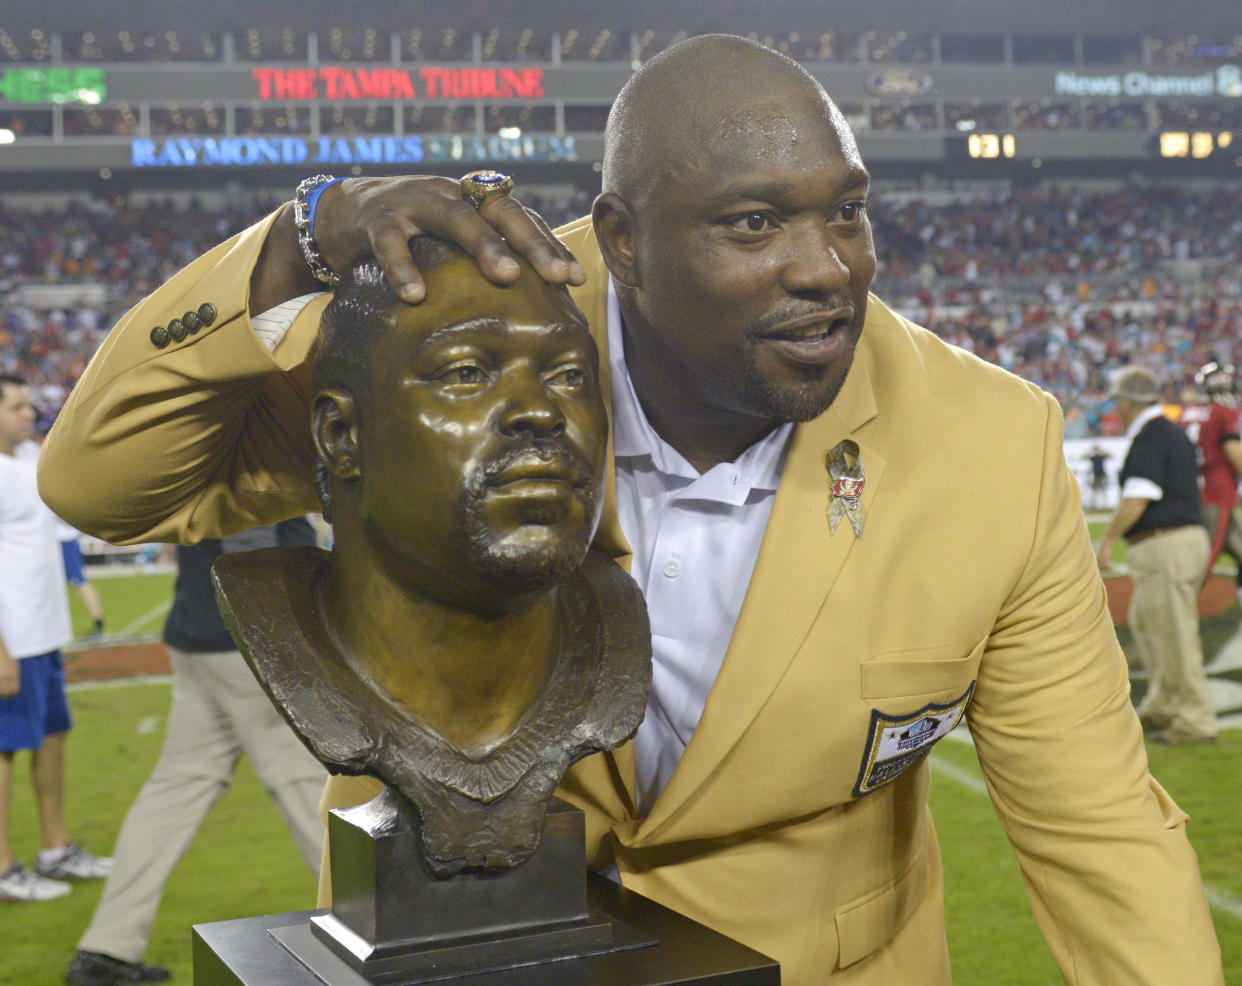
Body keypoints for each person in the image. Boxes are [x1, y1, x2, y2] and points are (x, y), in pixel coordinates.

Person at [39, 35, 1224, 986]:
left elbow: (1099, 827)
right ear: (624, 240)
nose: (829, 266)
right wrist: (297, 241)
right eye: (755, 223)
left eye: (846, 211)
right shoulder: (456, 345)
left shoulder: (988, 444)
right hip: (453, 945)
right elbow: (101, 484)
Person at [211, 241, 648, 877]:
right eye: (467, 372)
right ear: (342, 435)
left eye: (569, 375)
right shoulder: (284, 616)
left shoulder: (610, 622)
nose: (539, 411)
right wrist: (298, 234)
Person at [65, 518, 328, 986]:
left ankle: (107, 947)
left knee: (175, 788)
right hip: (249, 640)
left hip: (197, 632)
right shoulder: (253, 448)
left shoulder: (207, 447)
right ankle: (381, 934)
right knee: (308, 786)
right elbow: (253, 543)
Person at [0, 373, 111, 902]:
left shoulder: (28, 460)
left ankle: (55, 848)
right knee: (4, 750)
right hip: (12, 639)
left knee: (51, 738)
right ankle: (2, 870)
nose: (29, 413)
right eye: (17, 406)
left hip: (44, 634)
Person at [1096, 366, 1217, 747]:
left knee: (1174, 633)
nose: (1116, 407)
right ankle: (1163, 704)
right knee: (1151, 626)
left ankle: (1195, 718)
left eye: (1118, 400)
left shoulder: (1152, 435)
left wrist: (1107, 540)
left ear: (1129, 402)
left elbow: (1138, 497)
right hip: (1170, 543)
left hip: (1167, 543)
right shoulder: (1164, 432)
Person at [1178, 360, 1242, 600]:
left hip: (1194, 489)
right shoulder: (1225, 412)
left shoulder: (1189, 412)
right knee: (1205, 559)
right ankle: (1180, 607)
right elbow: (1233, 450)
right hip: (1217, 493)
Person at [56, 519, 106, 638]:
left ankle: (98, 624)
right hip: (61, 540)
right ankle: (98, 623)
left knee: (79, 583)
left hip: (63, 540)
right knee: (78, 583)